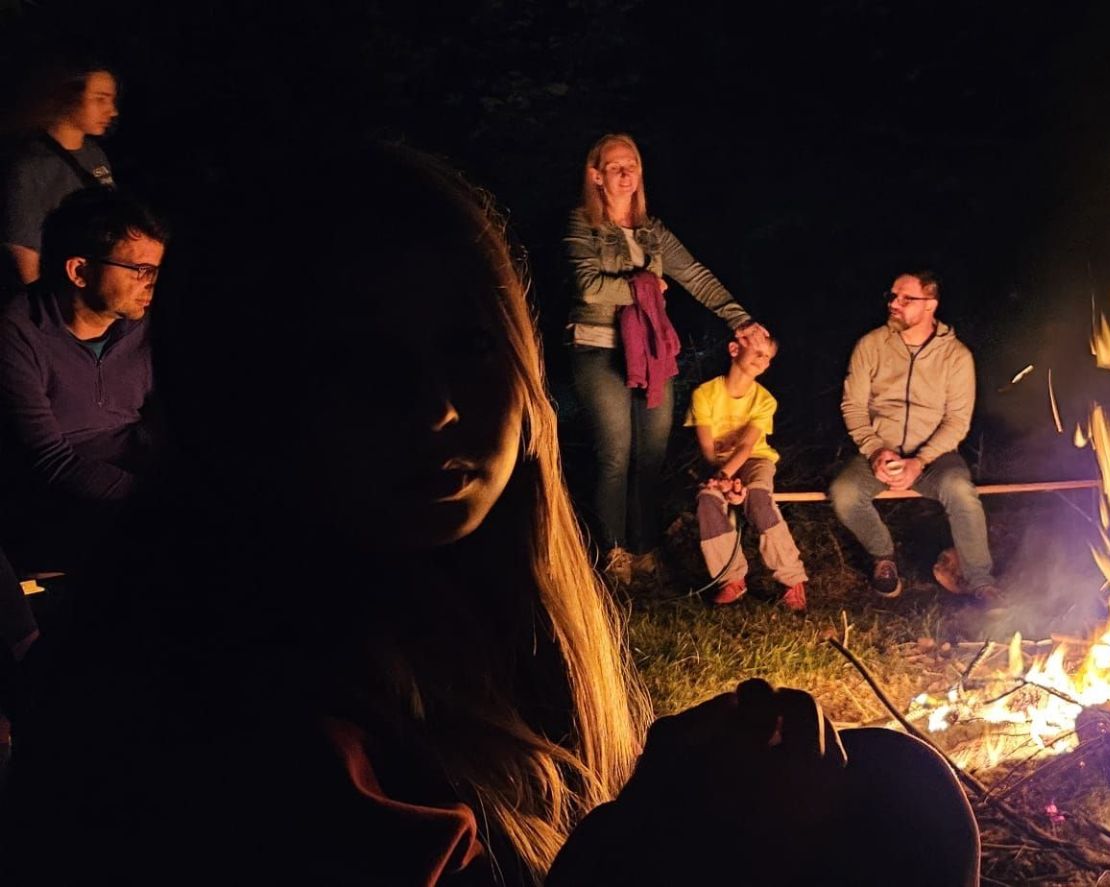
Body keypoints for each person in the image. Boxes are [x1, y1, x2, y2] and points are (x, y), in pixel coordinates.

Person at [0, 143, 976, 886]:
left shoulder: (460, 606)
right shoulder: (236, 720)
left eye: (467, 344)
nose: (435, 406)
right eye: (355, 360)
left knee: (904, 796)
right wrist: (671, 827)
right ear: (242, 385)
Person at [564, 133, 769, 587]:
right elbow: (589, 288)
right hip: (598, 347)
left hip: (651, 353)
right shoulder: (583, 224)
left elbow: (694, 274)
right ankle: (613, 553)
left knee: (651, 456)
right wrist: (644, 288)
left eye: (632, 165)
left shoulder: (652, 231)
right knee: (616, 455)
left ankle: (645, 550)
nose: (626, 174)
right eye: (615, 167)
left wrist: (740, 319)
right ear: (596, 176)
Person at [0, 188, 160, 573]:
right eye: (141, 270)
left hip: (134, 480)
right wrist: (153, 500)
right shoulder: (18, 333)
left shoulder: (141, 324)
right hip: (59, 503)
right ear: (79, 271)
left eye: (156, 270)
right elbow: (49, 460)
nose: (151, 283)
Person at [830, 271, 999, 602]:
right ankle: (883, 557)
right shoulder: (871, 345)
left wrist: (919, 461)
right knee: (844, 493)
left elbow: (957, 421)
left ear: (930, 305)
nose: (894, 303)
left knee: (960, 490)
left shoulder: (956, 357)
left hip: (935, 458)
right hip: (879, 453)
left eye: (906, 298)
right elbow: (853, 406)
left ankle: (981, 581)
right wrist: (875, 451)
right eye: (892, 296)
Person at [685, 334, 808, 611]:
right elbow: (707, 447)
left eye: (768, 358)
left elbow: (746, 446)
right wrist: (721, 478)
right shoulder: (705, 394)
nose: (763, 361)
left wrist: (727, 477)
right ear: (733, 349)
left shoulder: (765, 400)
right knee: (707, 499)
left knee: (758, 496)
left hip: (755, 459)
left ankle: (792, 580)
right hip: (718, 463)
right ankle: (731, 579)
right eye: (758, 352)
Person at [3, 59, 118, 287]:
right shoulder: (31, 167)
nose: (113, 111)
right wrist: (44, 305)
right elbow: (24, 252)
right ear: (68, 96)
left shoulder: (94, 155)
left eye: (111, 100)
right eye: (100, 99)